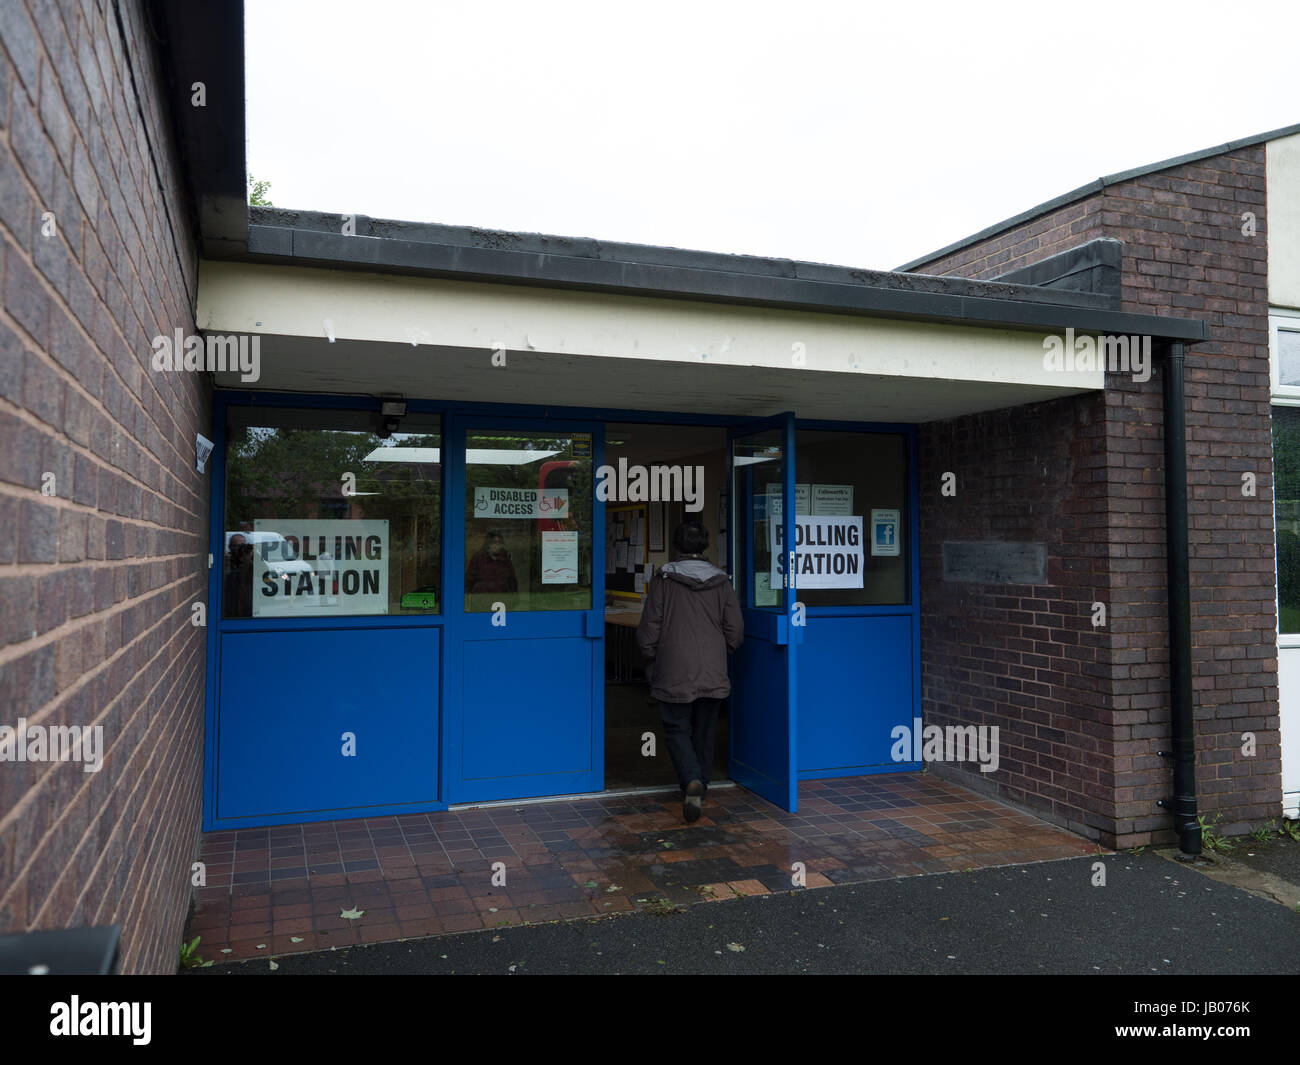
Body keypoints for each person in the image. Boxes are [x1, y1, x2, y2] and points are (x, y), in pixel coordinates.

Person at [636, 520, 743, 823]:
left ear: (677, 544)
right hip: (712, 669)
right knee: (706, 732)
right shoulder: (722, 583)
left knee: (676, 729)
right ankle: (700, 786)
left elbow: (649, 630)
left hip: (673, 668)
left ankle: (691, 780)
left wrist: (650, 657)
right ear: (704, 546)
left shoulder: (665, 580)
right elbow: (735, 630)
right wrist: (723, 653)